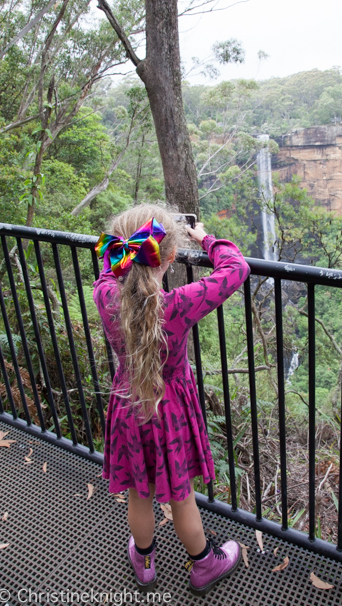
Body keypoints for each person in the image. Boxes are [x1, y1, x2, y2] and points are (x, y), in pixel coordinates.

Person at [92, 203, 250, 597]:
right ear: (172, 256)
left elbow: (108, 268)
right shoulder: (176, 306)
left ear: (120, 253)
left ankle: (144, 564)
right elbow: (236, 269)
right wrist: (207, 239)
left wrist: (123, 253)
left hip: (129, 407)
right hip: (171, 413)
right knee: (181, 497)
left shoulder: (105, 296)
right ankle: (204, 565)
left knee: (138, 491)